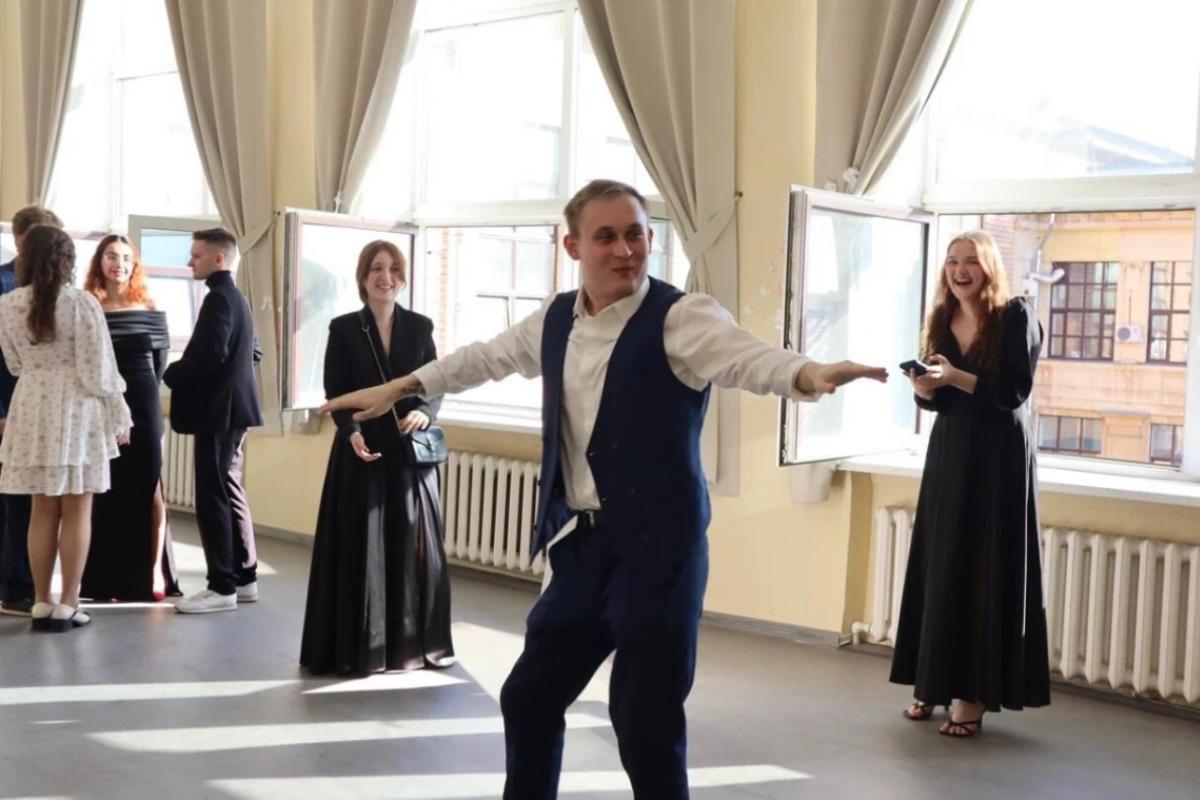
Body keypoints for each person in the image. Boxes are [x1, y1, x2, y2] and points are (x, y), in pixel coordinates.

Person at [321, 179, 887, 799]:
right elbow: (482, 358)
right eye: (607, 236)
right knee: (529, 696)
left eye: (636, 234)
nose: (625, 250)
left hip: (661, 552)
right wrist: (401, 386)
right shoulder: (555, 318)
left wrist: (808, 373)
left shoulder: (680, 316)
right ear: (573, 246)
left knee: (644, 721)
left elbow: (747, 358)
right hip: (585, 545)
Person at [889, 230, 1050, 737]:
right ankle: (933, 682)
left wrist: (955, 377)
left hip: (998, 457)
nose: (960, 270)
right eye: (952, 261)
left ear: (989, 267)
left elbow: (1014, 392)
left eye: (971, 261)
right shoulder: (941, 317)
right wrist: (924, 388)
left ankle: (973, 695)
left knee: (984, 567)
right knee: (942, 563)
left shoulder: (1015, 315)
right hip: (952, 451)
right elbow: (938, 401)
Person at [300, 240, 453, 675]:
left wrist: (425, 413)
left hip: (409, 454)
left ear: (402, 277)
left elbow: (435, 384)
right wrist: (350, 432)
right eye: (377, 270)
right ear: (363, 279)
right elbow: (336, 392)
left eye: (393, 269)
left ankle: (411, 648)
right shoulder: (344, 328)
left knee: (412, 548)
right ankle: (358, 650)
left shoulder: (420, 327)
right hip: (361, 451)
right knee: (360, 549)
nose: (386, 278)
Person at [0, 225, 132, 631]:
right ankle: (69, 602)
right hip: (77, 409)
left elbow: (14, 364)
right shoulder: (81, 303)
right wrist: (120, 415)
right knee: (77, 508)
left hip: (32, 406)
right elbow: (99, 371)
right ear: (67, 261)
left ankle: (41, 601)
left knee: (41, 508)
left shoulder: (7, 304)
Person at [164, 228, 263, 614]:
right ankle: (245, 578)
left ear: (218, 259)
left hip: (219, 413)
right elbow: (253, 352)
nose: (190, 261)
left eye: (196, 255)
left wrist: (171, 374)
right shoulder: (238, 298)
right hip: (235, 410)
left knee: (212, 495)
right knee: (230, 489)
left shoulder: (219, 299)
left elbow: (210, 354)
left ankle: (221, 585)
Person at [79, 235, 182, 602]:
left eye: (125, 258)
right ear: (100, 261)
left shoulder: (151, 309)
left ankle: (150, 575)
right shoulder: (86, 308)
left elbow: (159, 366)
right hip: (98, 406)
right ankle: (102, 581)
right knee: (103, 490)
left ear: (134, 265)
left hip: (143, 405)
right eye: (111, 256)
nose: (118, 264)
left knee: (148, 487)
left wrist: (137, 408)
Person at [0, 206, 62, 617]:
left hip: (39, 412)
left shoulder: (60, 291)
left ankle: (21, 584)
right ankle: (16, 588)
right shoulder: (3, 284)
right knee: (16, 502)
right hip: (10, 407)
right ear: (20, 238)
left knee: (26, 502)